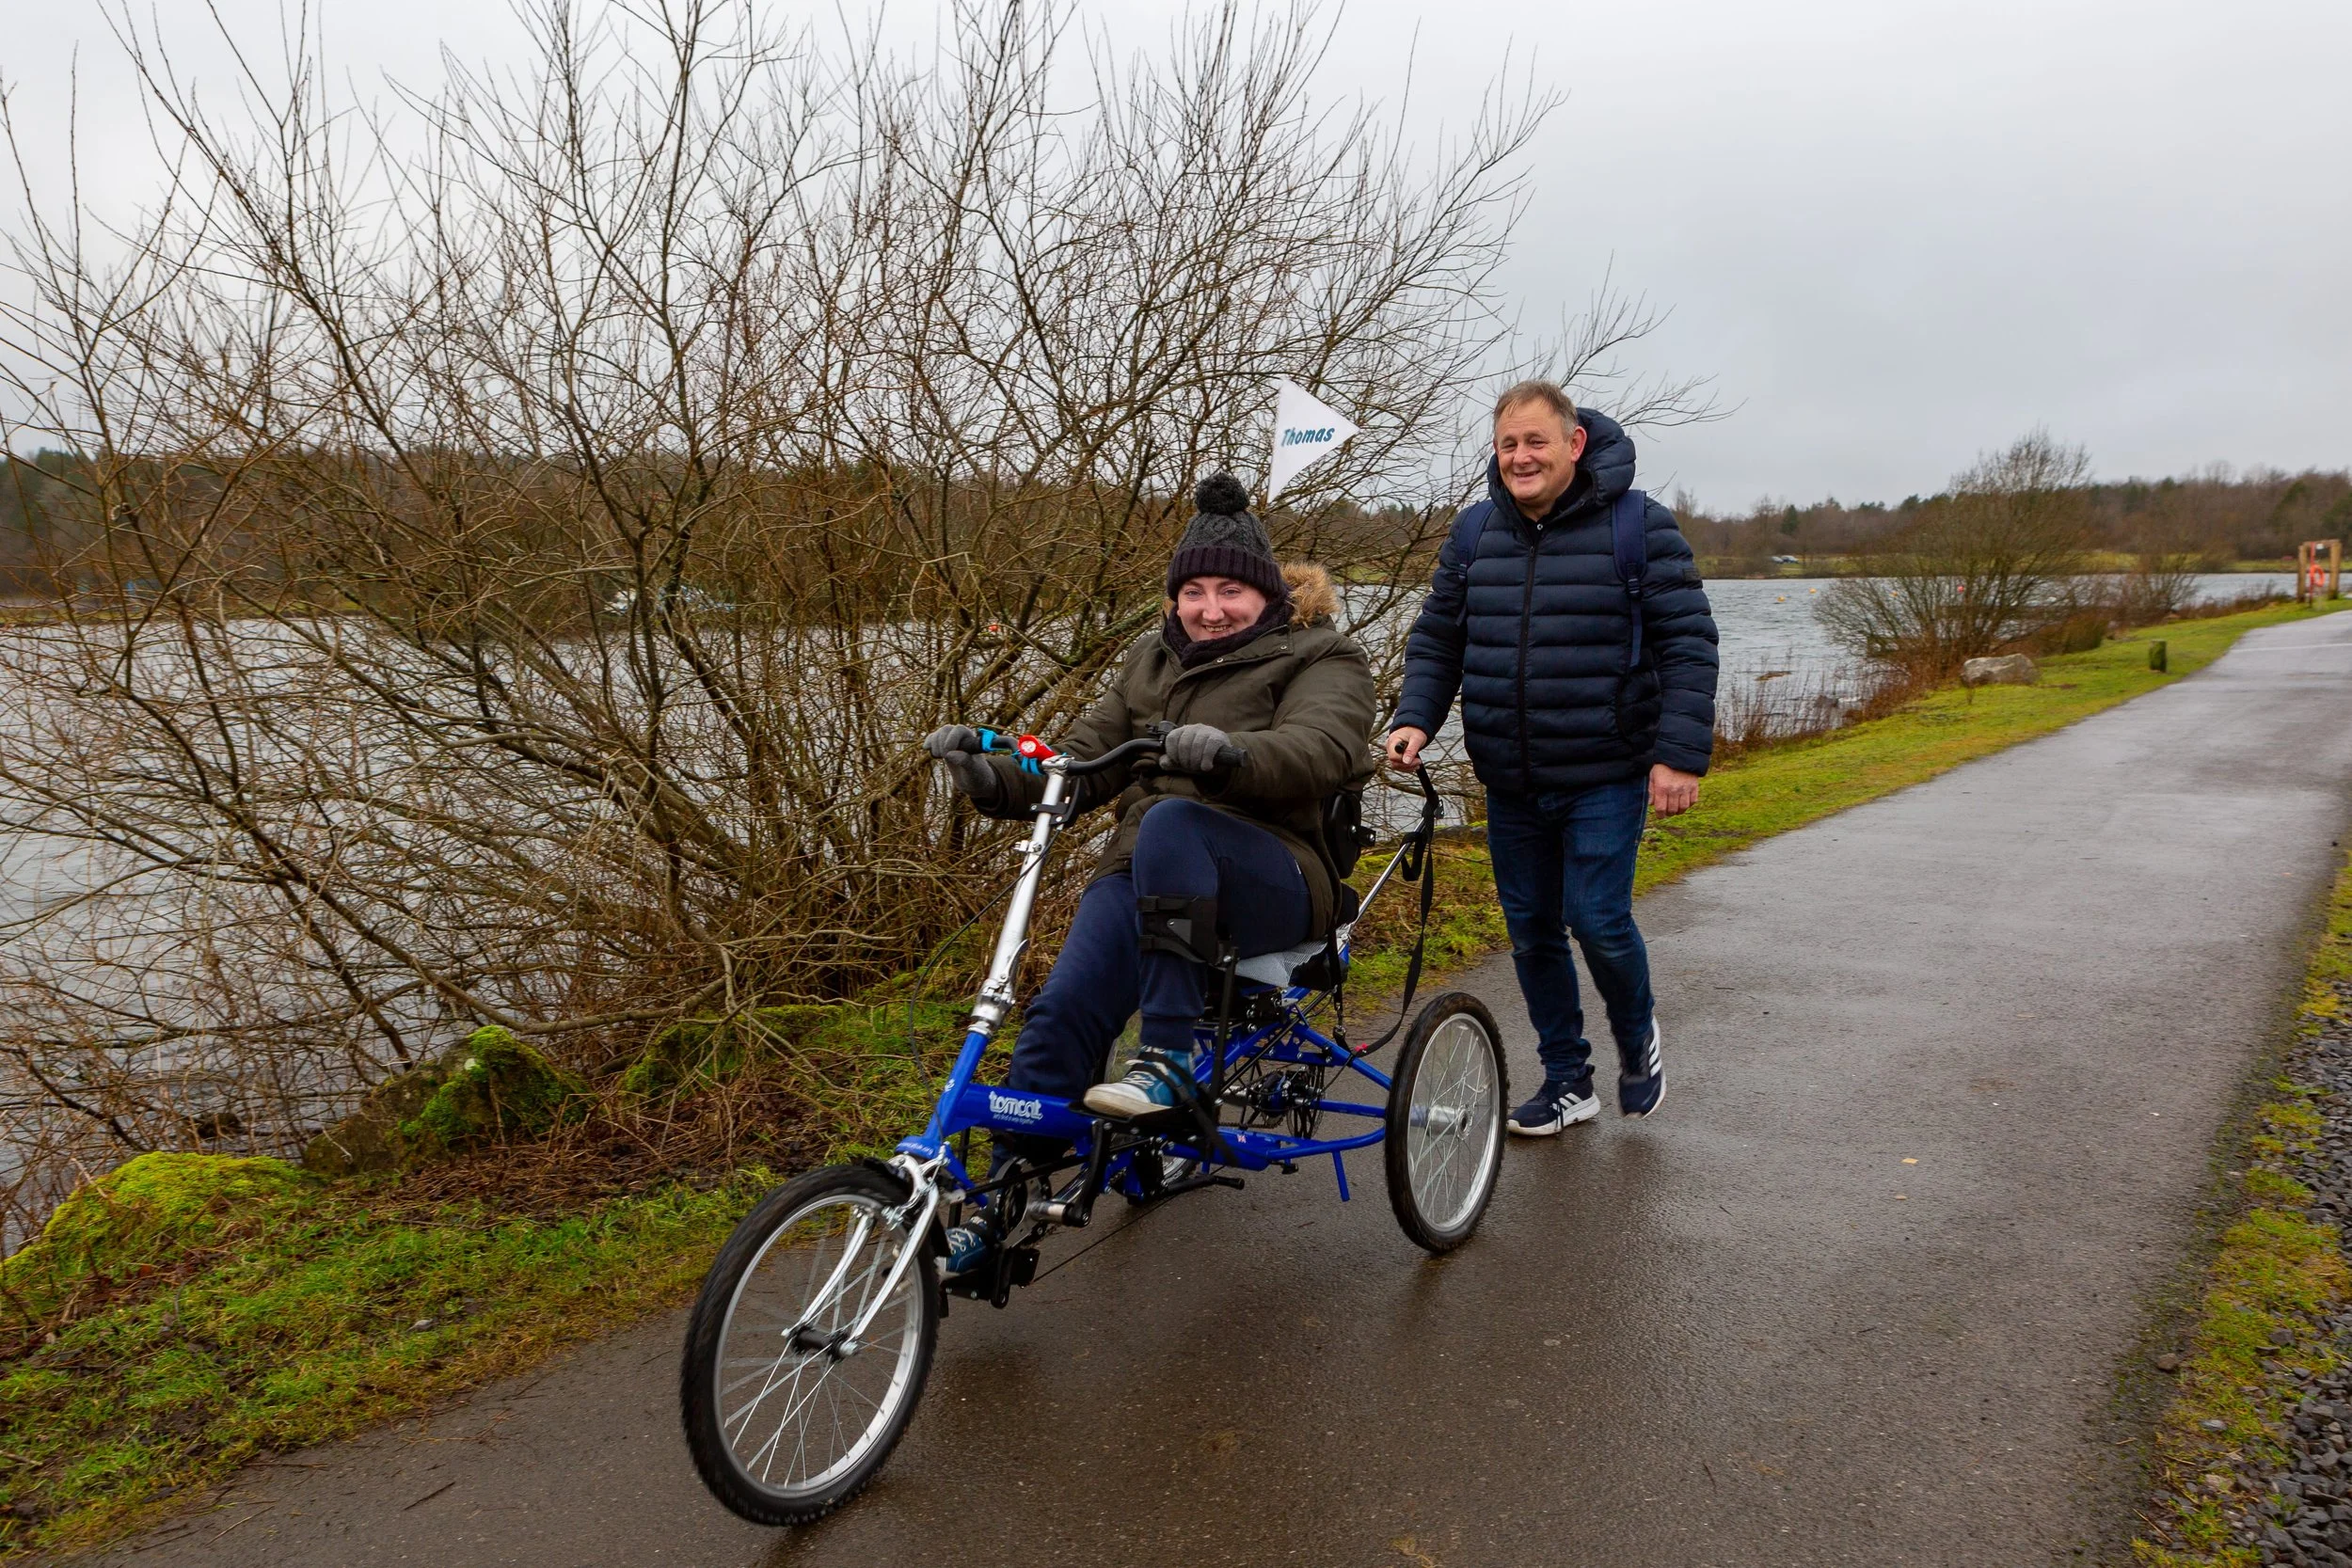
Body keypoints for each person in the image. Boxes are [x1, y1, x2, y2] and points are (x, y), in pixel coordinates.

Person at [925, 474, 1376, 1266]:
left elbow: (1325, 748)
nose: (1209, 608)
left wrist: (1232, 757)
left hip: (1274, 874)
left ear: (1266, 593)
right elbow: (1079, 764)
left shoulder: (1323, 654)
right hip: (1149, 874)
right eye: (1193, 590)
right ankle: (1000, 1208)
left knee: (1170, 818)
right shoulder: (1150, 660)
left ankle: (1166, 1056)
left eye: (1229, 589)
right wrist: (993, 776)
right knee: (1062, 1012)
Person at [1386, 381, 1719, 1134]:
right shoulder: (1474, 534)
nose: (1519, 457)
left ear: (1574, 444)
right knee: (1532, 928)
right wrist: (1415, 718)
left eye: (1535, 441)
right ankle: (1569, 1078)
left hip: (1606, 767)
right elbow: (1439, 638)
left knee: (1596, 919)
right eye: (1507, 444)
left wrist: (1679, 756)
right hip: (1508, 776)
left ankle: (1637, 1038)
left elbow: (1690, 644)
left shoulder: (1640, 526)